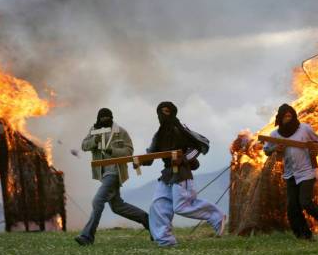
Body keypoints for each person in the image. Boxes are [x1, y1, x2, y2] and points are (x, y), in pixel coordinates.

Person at [143, 101, 226, 247]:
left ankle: (216, 216)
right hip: (167, 173)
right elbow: (153, 152)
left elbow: (200, 144)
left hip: (181, 173)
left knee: (182, 206)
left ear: (173, 112)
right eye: (161, 112)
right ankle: (166, 241)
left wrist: (184, 158)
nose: (164, 115)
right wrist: (144, 160)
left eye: (167, 111)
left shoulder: (180, 129)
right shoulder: (160, 133)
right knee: (158, 205)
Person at [263, 104, 318, 242]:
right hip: (290, 173)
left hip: (307, 171)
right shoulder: (275, 134)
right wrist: (275, 148)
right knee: (292, 208)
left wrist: (314, 149)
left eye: (290, 116)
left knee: (305, 202)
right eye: (285, 116)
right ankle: (304, 236)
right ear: (280, 118)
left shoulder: (304, 129)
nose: (288, 119)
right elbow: (266, 150)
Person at [75, 108, 149, 246]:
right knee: (117, 207)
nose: (104, 120)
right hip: (103, 173)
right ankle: (148, 220)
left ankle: (87, 236)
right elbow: (84, 146)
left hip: (115, 172)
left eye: (107, 118)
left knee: (98, 201)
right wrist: (94, 141)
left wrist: (112, 151)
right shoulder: (94, 130)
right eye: (102, 118)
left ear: (111, 118)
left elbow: (129, 151)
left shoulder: (120, 131)